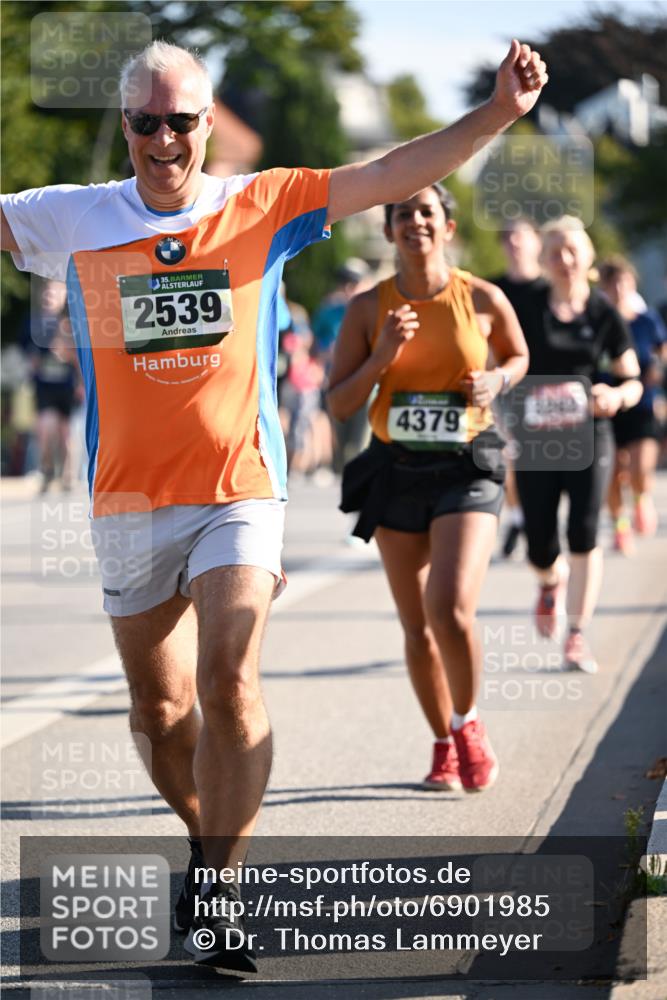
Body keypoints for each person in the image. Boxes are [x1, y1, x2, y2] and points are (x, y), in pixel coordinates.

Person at [0, 38, 547, 971]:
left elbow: (389, 171)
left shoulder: (263, 202)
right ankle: (205, 838)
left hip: (238, 487)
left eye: (182, 121)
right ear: (124, 125)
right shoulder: (72, 217)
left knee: (228, 678)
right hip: (128, 499)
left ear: (209, 125)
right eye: (144, 122)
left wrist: (497, 114)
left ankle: (221, 890)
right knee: (161, 712)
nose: (164, 139)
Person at [327, 184, 529, 793]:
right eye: (402, 214)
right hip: (396, 470)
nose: (414, 221)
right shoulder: (368, 309)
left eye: (426, 212)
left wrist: (496, 380)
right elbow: (339, 404)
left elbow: (518, 356)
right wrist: (382, 356)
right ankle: (442, 742)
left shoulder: (484, 297)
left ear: (447, 227)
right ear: (388, 232)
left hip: (468, 465)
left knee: (450, 607)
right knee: (416, 626)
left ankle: (468, 724)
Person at [509, 218, 642, 674]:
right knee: (539, 545)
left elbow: (633, 379)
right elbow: (499, 360)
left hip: (589, 435)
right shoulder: (525, 305)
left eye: (573, 251)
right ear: (543, 260)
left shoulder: (603, 313)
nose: (565, 259)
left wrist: (618, 395)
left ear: (587, 260)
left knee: (584, 532)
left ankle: (578, 634)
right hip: (535, 438)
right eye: (556, 252)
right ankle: (550, 582)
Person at [598, 256, 667, 553]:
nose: (619, 288)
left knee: (639, 468)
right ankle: (619, 525)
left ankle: (640, 498)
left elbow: (662, 352)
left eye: (624, 282)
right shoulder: (597, 319)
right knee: (612, 472)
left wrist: (658, 370)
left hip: (642, 402)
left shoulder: (647, 320)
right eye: (612, 282)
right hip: (606, 405)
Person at [491, 218, 547, 557]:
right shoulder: (493, 291)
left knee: (540, 462)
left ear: (536, 242)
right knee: (506, 456)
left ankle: (534, 518)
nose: (514, 242)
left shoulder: (549, 289)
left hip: (545, 387)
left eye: (521, 235)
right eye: (508, 236)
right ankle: (518, 515)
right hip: (506, 384)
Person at [23, 279, 80, 492]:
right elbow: (25, 351)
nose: (49, 298)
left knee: (66, 435)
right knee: (46, 429)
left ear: (63, 297)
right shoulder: (31, 322)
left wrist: (67, 354)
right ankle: (47, 470)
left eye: (54, 294)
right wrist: (32, 362)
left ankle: (67, 477)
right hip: (44, 388)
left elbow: (79, 357)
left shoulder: (70, 323)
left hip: (66, 388)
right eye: (46, 293)